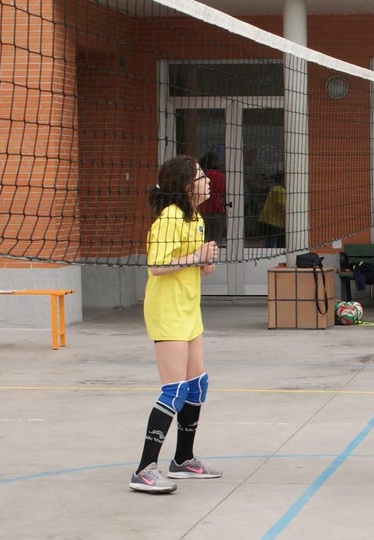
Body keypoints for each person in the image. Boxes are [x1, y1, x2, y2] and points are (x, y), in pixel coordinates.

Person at [130, 155, 222, 494]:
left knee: (197, 385)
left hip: (188, 308)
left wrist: (203, 262)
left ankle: (182, 460)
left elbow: (186, 261)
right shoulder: (169, 218)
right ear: (186, 186)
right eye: (201, 176)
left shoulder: (193, 216)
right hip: (167, 310)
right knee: (174, 390)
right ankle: (144, 469)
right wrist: (196, 257)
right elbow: (156, 264)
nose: (209, 180)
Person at [196, 153, 227, 246]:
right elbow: (222, 191)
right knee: (215, 239)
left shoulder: (200, 175)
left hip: (202, 209)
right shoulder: (219, 175)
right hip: (216, 209)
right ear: (213, 162)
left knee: (202, 237)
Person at [257, 173, 285, 247]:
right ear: (282, 179)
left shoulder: (275, 188)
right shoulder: (280, 190)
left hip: (267, 219)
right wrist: (287, 221)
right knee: (273, 244)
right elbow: (281, 207)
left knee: (269, 243)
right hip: (274, 221)